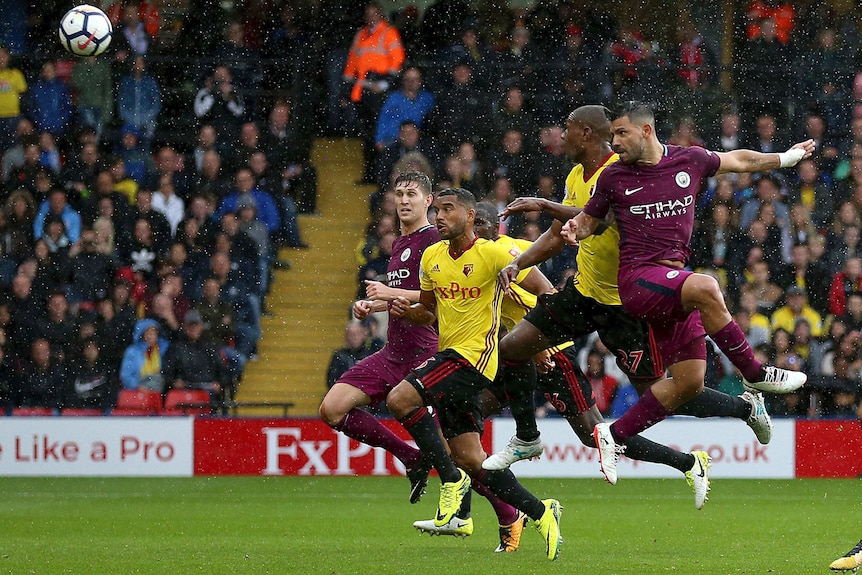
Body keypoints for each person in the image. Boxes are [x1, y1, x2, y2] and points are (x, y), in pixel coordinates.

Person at [487, 108, 769, 502]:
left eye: (565, 130)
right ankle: (527, 435)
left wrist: (549, 206)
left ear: (585, 133)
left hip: (627, 308)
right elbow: (557, 236)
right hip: (584, 294)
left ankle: (744, 409)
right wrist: (519, 263)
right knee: (514, 346)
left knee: (665, 393)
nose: (559, 138)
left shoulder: (623, 171)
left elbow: (604, 220)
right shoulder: (574, 176)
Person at [560, 101, 811, 484]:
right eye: (611, 135)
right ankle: (755, 373)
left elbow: (739, 160)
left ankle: (615, 434)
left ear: (646, 131)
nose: (614, 143)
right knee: (707, 285)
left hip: (673, 288)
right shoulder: (614, 177)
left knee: (689, 382)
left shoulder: (689, 160)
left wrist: (786, 158)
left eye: (621, 133)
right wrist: (574, 228)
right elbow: (589, 217)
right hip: (638, 280)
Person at [386, 187, 563, 561]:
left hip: (475, 358)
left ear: (469, 217)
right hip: (448, 354)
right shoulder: (432, 256)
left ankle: (449, 481)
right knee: (472, 459)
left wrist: (541, 340)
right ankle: (540, 511)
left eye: (448, 210)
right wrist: (403, 309)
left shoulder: (494, 252)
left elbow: (545, 289)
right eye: (438, 210)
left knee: (399, 398)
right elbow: (429, 313)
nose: (439, 216)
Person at [319, 171, 439, 497]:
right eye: (399, 194)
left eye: (411, 194)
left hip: (425, 355)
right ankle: (409, 456)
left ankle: (513, 512)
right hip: (391, 354)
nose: (403, 200)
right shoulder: (399, 242)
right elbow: (400, 298)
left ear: (428, 200)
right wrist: (372, 307)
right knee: (332, 409)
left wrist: (386, 294)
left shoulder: (433, 240)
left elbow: (439, 296)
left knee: (457, 454)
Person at [120, 318, 169, 391]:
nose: (151, 336)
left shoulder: (163, 349)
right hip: (137, 390)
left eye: (153, 333)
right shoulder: (132, 352)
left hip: (158, 389)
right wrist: (137, 387)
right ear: (141, 334)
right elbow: (125, 375)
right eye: (148, 333)